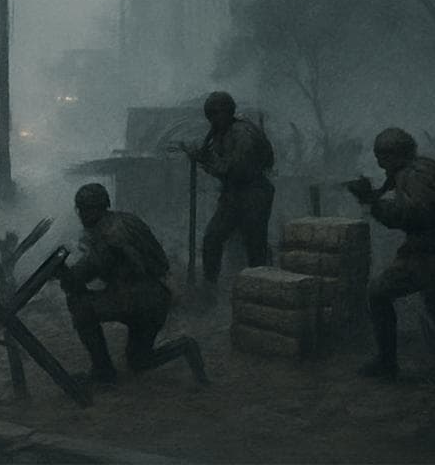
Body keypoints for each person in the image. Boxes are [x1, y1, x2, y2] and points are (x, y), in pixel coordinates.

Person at [347, 127, 435, 382]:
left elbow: (412, 214)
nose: (380, 164)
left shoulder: (413, 176)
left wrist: (372, 203)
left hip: (431, 252)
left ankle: (387, 364)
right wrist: (373, 195)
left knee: (378, 293)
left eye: (383, 158)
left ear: (395, 155)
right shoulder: (425, 168)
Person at [60, 182, 207, 384]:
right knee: (139, 361)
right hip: (157, 298)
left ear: (93, 209)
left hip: (138, 301)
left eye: (83, 210)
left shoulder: (107, 235)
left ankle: (103, 372)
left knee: (80, 305)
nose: (81, 215)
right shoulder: (126, 220)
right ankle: (184, 347)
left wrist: (62, 273)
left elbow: (83, 275)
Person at [178, 91, 275, 300]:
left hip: (253, 192)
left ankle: (262, 293)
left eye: (215, 115)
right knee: (213, 237)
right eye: (210, 116)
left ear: (226, 112)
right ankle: (210, 291)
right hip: (234, 194)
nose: (212, 120)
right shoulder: (222, 132)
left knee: (255, 243)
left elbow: (236, 169)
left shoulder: (242, 133)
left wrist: (206, 160)